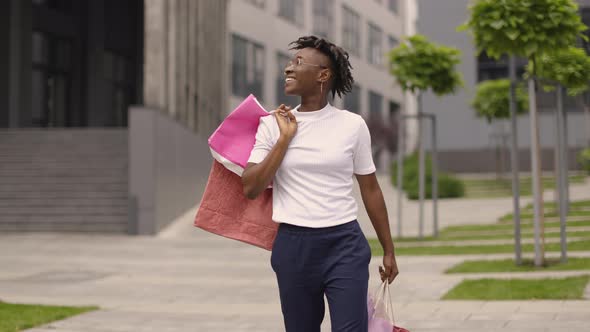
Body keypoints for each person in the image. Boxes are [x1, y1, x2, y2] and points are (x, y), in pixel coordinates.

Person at [242, 35, 399, 332]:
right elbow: (250, 187)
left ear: (323, 75)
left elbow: (371, 189)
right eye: (289, 63)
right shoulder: (272, 125)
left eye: (298, 62)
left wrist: (388, 249)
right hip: (293, 247)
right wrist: (285, 139)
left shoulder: (352, 125)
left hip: (344, 245)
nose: (288, 69)